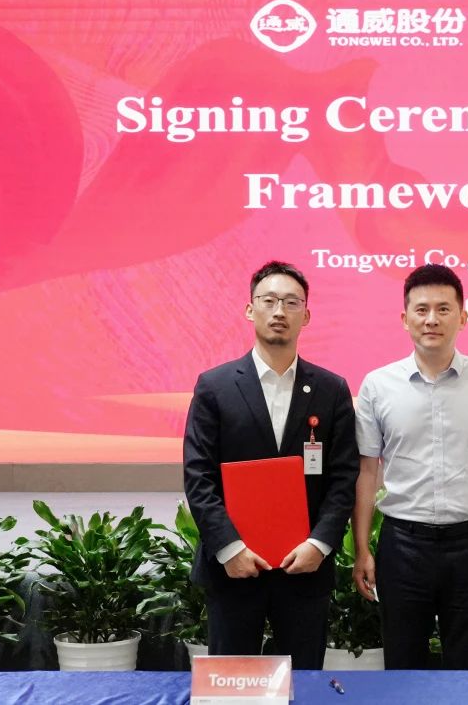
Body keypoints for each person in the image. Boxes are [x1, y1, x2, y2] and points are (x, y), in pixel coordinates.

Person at [183, 260, 358, 668]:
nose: (280, 311)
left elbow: (343, 476)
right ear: (250, 309)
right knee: (233, 683)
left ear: (306, 316)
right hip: (233, 568)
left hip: (304, 568)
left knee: (304, 681)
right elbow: (198, 476)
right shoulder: (215, 386)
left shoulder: (331, 389)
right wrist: (230, 549)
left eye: (292, 302)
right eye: (269, 300)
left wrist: (319, 544)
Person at [351, 264, 468, 669]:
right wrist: (361, 548)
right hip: (402, 545)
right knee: (403, 668)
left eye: (443, 309)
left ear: (462, 318)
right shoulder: (378, 385)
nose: (432, 319)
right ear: (405, 318)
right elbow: (366, 470)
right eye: (422, 309)